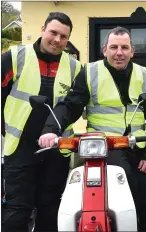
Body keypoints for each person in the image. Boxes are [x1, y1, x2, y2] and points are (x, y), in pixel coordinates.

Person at [38, 26, 146, 231]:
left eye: (124, 47)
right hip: (104, 150)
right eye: (114, 47)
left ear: (132, 51)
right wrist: (51, 129)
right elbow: (70, 106)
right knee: (126, 195)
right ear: (104, 50)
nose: (119, 52)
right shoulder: (89, 73)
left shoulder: (144, 75)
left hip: (139, 150)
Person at [1, 12, 82, 232]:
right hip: (20, 148)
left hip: (57, 149)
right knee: (17, 211)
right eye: (53, 32)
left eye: (63, 36)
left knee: (51, 210)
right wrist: (5, 129)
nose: (57, 40)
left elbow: (74, 106)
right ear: (42, 30)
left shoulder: (75, 67)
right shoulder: (15, 57)